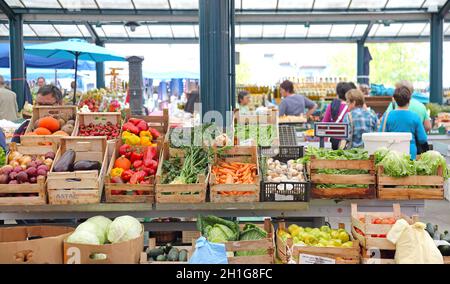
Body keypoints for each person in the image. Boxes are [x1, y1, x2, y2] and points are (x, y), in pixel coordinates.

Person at [379, 86, 427, 160]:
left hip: (392, 154)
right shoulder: (415, 117)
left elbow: (381, 135)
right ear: (409, 99)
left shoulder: (387, 116)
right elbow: (422, 139)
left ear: (394, 100)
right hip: (410, 154)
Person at [322, 82, 357, 150]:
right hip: (347, 142)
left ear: (337, 94)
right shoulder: (351, 107)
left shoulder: (331, 106)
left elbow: (324, 123)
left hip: (334, 141)